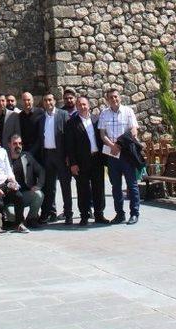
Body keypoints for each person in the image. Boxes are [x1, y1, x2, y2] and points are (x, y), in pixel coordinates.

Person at [98, 87, 140, 225]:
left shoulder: (128, 111)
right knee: (115, 186)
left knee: (132, 185)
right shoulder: (104, 114)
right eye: (111, 97)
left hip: (126, 153)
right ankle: (119, 214)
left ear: (120, 97)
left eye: (115, 96)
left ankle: (134, 213)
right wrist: (112, 146)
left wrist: (120, 145)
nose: (114, 99)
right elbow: (102, 134)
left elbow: (133, 131)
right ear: (107, 100)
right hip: (112, 154)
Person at [66, 94, 107, 226]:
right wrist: (73, 163)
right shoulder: (71, 123)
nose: (82, 107)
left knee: (99, 187)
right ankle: (84, 215)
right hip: (81, 161)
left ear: (89, 105)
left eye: (84, 104)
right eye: (79, 105)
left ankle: (99, 214)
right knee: (82, 189)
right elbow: (70, 146)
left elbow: (102, 139)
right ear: (76, 107)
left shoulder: (96, 120)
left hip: (97, 158)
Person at [39, 92, 73, 225]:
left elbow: (69, 138)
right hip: (47, 155)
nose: (48, 103)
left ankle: (68, 214)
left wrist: (69, 156)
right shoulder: (42, 118)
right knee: (49, 187)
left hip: (61, 156)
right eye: (45, 100)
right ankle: (51, 213)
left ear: (54, 101)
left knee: (65, 186)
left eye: (50, 100)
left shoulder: (63, 115)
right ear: (43, 103)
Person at [7, 132, 45, 227]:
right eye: (15, 143)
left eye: (20, 143)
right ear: (9, 145)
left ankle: (31, 218)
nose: (18, 146)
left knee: (39, 194)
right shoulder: (4, 158)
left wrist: (38, 185)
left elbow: (41, 171)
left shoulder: (27, 156)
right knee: (13, 218)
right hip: (10, 198)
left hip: (24, 195)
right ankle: (19, 220)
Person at [19, 91, 44, 161]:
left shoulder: (41, 112)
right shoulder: (20, 116)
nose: (26, 102)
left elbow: (41, 134)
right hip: (25, 152)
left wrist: (33, 151)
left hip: (39, 152)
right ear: (21, 102)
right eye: (24, 100)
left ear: (33, 101)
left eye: (28, 100)